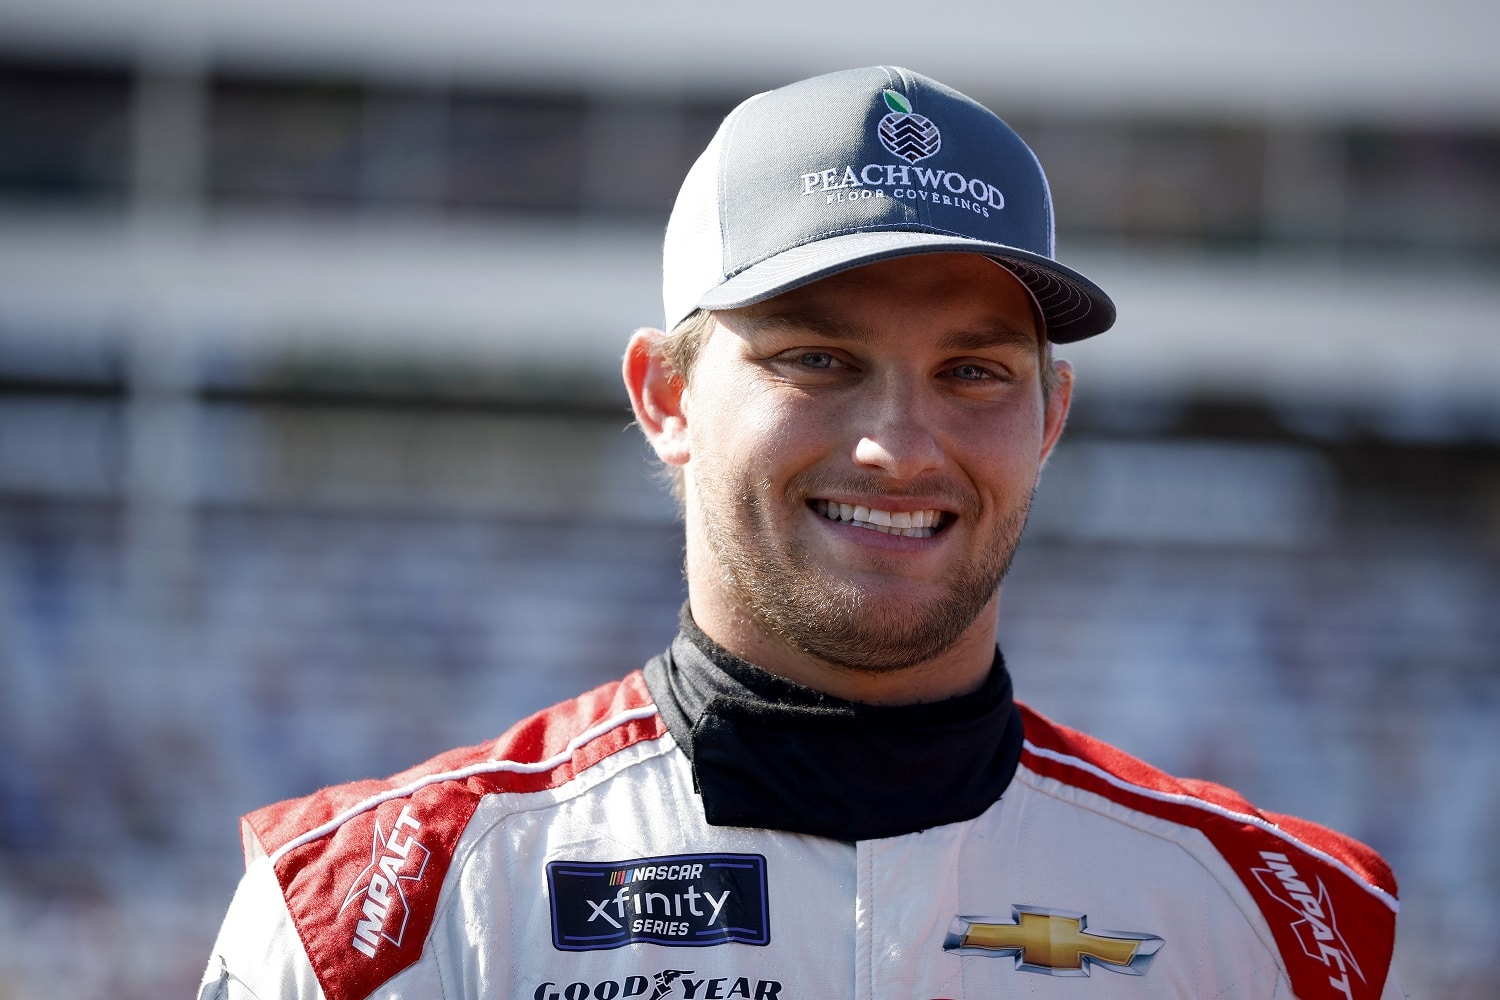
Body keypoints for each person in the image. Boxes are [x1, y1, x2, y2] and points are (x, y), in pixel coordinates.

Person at [199, 66, 1402, 1000]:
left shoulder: (1284, 928)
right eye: (817, 359)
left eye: (975, 370)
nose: (900, 442)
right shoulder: (382, 916)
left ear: (1050, 419)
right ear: (665, 400)